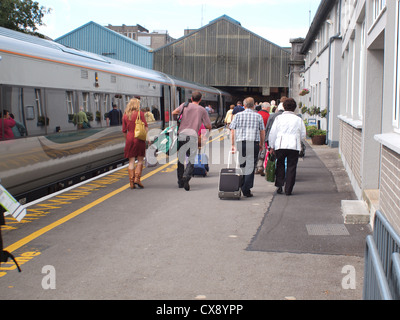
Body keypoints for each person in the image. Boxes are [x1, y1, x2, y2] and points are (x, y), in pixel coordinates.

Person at [172, 91, 212, 191]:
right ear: (200, 99)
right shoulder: (202, 110)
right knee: (191, 158)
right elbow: (208, 126)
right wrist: (206, 134)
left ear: (191, 98)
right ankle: (186, 176)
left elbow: (174, 112)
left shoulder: (184, 106)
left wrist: (177, 122)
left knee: (181, 159)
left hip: (181, 134)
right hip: (193, 136)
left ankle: (180, 182)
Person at [268, 98, 306, 196]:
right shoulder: (298, 119)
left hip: (280, 144)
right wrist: (298, 140)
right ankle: (288, 189)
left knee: (280, 165)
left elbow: (273, 133)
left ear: (284, 107)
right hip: (294, 145)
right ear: (294, 108)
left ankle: (280, 185)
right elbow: (303, 134)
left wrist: (271, 146)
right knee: (291, 167)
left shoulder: (278, 118)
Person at [230, 97, 265, 198]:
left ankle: (241, 185)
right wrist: (261, 144)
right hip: (254, 143)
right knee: (250, 166)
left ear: (244, 106)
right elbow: (262, 131)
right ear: (254, 105)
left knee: (242, 165)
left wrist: (232, 144)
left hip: (241, 143)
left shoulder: (237, 116)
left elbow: (232, 131)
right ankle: (246, 188)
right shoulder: (258, 116)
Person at [122, 98, 148, 189]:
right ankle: (137, 178)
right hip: (139, 138)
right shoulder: (140, 114)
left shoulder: (125, 115)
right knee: (140, 160)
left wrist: (127, 139)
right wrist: (146, 138)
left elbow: (124, 130)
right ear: (137, 105)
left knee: (131, 161)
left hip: (129, 138)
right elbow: (145, 126)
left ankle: (131, 182)